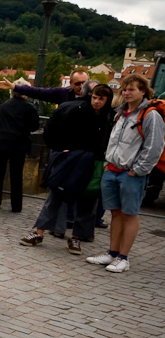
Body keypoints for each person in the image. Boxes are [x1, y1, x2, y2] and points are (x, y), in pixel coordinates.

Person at [19, 84, 114, 254]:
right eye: (94, 97)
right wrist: (61, 150)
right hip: (72, 159)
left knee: (87, 201)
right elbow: (54, 130)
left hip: (94, 162)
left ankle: (76, 238)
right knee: (56, 195)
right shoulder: (78, 109)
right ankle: (38, 232)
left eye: (101, 99)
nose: (97, 102)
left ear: (107, 100)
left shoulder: (109, 116)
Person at [86, 74, 165, 272]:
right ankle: (112, 253)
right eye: (125, 89)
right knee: (116, 213)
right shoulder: (120, 114)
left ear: (143, 91)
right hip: (112, 170)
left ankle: (123, 257)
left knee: (130, 214)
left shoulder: (150, 115)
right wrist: (106, 164)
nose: (127, 93)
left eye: (132, 89)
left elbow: (154, 147)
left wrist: (137, 171)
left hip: (131, 174)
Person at [0, 90, 39, 212]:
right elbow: (34, 126)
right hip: (19, 145)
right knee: (16, 175)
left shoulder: (3, 105)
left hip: (0, 143)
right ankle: (16, 206)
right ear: (25, 93)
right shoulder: (29, 107)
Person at [0, 68, 89, 105]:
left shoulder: (93, 97)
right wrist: (14, 87)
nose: (81, 86)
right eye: (78, 83)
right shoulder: (63, 94)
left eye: (84, 83)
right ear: (71, 83)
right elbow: (38, 92)